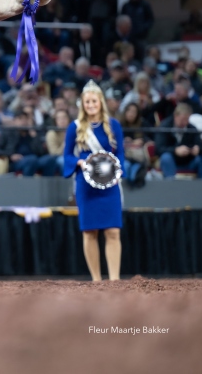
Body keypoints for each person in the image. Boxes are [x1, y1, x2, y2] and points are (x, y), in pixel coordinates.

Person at [63, 80, 125, 281]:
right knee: (89, 232)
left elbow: (121, 154)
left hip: (110, 185)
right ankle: (97, 281)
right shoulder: (75, 127)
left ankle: (114, 280)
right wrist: (78, 162)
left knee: (113, 231)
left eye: (94, 101)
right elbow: (66, 156)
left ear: (101, 102)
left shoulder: (113, 125)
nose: (90, 105)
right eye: (87, 101)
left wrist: (118, 173)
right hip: (86, 185)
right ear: (82, 103)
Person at [156, 103, 202, 179]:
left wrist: (198, 149)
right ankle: (171, 186)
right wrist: (175, 150)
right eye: (182, 119)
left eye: (187, 119)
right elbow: (159, 149)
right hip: (171, 161)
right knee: (166, 157)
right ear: (175, 116)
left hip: (189, 161)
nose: (184, 123)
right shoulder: (164, 127)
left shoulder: (191, 128)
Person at [0, 107, 45, 176]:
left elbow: (41, 152)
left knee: (50, 160)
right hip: (15, 162)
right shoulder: (7, 133)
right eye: (20, 119)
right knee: (32, 160)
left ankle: (47, 186)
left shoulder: (32, 133)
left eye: (25, 119)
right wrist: (10, 156)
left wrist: (34, 137)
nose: (23, 122)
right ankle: (26, 185)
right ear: (14, 121)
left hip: (34, 158)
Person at [119, 102, 149, 188]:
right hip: (125, 156)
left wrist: (141, 141)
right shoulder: (119, 125)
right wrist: (126, 142)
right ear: (125, 112)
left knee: (136, 168)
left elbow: (149, 138)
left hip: (138, 157)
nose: (131, 114)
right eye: (129, 111)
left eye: (134, 112)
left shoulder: (142, 124)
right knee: (126, 166)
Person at [43, 109, 71, 177]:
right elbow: (54, 153)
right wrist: (66, 142)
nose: (62, 120)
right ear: (55, 120)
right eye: (59, 118)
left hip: (72, 156)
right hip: (57, 158)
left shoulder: (73, 131)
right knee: (63, 161)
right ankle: (67, 183)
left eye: (64, 117)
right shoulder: (51, 133)